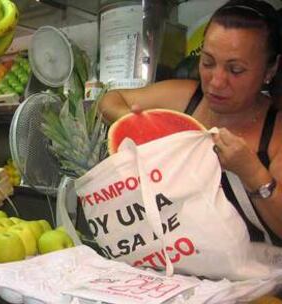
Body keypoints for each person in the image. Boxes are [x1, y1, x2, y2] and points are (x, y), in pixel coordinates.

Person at [99, 0, 282, 246]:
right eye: (207, 62)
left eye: (235, 70)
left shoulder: (276, 132)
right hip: (170, 267)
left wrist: (252, 172)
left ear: (270, 70)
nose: (216, 82)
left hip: (251, 282)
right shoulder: (186, 97)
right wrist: (135, 121)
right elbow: (109, 99)